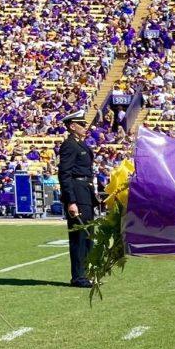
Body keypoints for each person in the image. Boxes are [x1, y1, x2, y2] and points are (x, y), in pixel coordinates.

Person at [57, 111, 98, 288]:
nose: (85, 127)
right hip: (77, 193)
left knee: (88, 236)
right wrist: (70, 201)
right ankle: (79, 277)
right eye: (81, 124)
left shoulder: (81, 145)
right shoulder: (69, 145)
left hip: (85, 191)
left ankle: (87, 274)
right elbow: (65, 174)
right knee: (79, 237)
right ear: (72, 126)